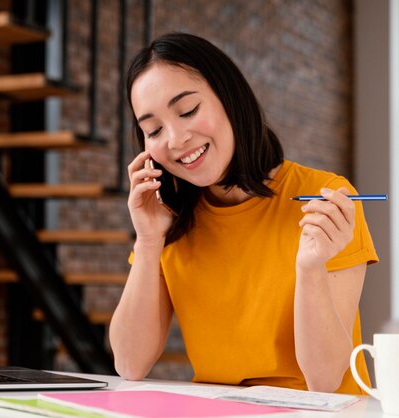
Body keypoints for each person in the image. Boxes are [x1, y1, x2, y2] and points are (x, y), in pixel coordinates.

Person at [109, 32, 378, 394]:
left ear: (231, 98)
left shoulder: (327, 199)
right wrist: (147, 240)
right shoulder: (169, 222)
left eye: (188, 110)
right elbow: (129, 364)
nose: (174, 139)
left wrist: (310, 268)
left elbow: (325, 380)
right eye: (153, 130)